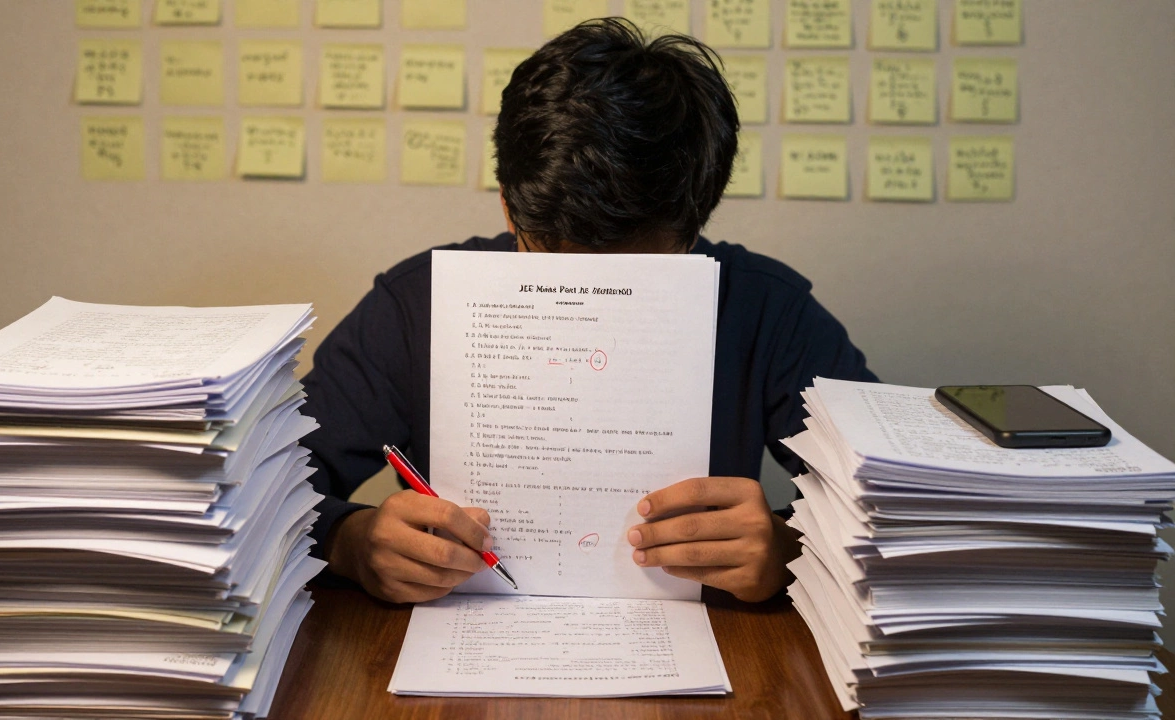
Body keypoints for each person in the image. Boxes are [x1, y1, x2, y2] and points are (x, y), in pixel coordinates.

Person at [300, 19, 876, 605]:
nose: (592, 301)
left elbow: (893, 505)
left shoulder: (766, 310)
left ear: (693, 227)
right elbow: (267, 482)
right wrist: (350, 541)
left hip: (712, 650)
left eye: (634, 278)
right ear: (509, 208)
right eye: (558, 265)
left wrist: (791, 549)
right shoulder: (416, 306)